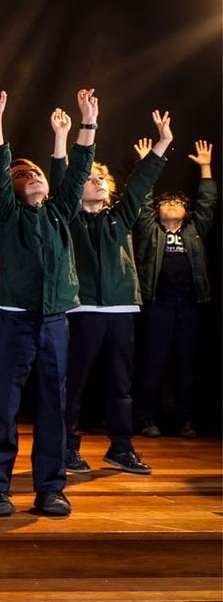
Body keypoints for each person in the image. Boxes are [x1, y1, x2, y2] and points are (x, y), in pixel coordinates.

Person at [0, 80, 96, 519]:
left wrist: (87, 123)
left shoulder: (61, 213)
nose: (32, 177)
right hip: (14, 323)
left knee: (54, 407)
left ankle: (50, 489)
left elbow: (79, 170)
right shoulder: (7, 216)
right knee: (3, 406)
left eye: (38, 172)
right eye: (21, 174)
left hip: (54, 324)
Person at [62, 110, 172, 476]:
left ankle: (121, 448)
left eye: (102, 178)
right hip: (82, 309)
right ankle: (66, 448)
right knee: (74, 383)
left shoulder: (119, 216)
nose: (99, 183)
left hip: (122, 308)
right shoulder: (70, 218)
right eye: (91, 179)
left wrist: (163, 143)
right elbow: (68, 171)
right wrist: (76, 130)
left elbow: (140, 184)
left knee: (121, 384)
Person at [134, 138, 215, 439]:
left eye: (177, 202)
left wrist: (205, 168)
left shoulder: (194, 231)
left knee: (187, 366)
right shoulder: (151, 230)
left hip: (190, 307)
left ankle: (187, 420)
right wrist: (146, 165)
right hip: (158, 306)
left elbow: (208, 205)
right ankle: (146, 419)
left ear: (186, 211)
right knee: (152, 364)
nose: (171, 205)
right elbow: (141, 201)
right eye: (165, 203)